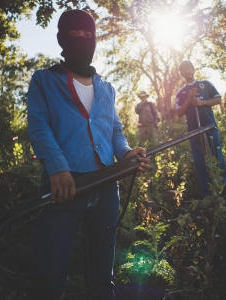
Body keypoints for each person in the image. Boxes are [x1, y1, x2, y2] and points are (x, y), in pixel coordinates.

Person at [26, 10, 150, 300]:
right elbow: (39, 126)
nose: (82, 40)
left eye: (88, 35)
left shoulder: (107, 87)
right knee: (51, 274)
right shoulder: (44, 80)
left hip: (108, 187)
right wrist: (57, 168)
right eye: (74, 34)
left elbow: (115, 130)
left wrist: (127, 153)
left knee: (102, 276)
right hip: (64, 186)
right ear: (61, 39)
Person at [175, 60, 226, 198]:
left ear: (193, 69)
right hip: (193, 131)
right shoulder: (181, 92)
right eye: (184, 70)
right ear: (181, 74)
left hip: (210, 126)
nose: (187, 71)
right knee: (199, 162)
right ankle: (207, 194)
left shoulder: (205, 84)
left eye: (189, 68)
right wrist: (189, 99)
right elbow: (179, 113)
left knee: (218, 158)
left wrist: (202, 102)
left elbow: (218, 99)